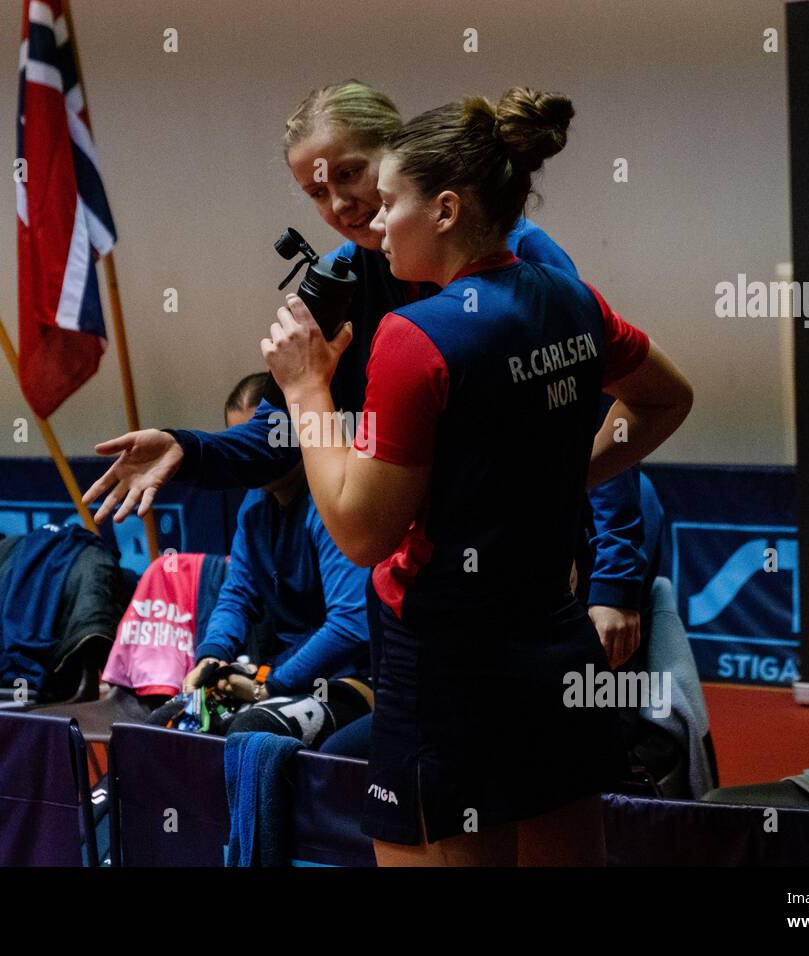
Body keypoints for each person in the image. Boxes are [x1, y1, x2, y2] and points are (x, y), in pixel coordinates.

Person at [259, 87, 693, 866]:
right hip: (553, 641)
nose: (375, 222)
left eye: (391, 203)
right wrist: (563, 482)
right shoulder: (572, 298)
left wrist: (305, 390)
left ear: (449, 211)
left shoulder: (412, 338)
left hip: (445, 665)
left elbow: (361, 532)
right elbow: (666, 398)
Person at [81, 80, 647, 673]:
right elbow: (278, 440)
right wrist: (186, 447)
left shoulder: (526, 261)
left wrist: (615, 580)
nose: (339, 205)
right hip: (424, 596)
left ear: (396, 157)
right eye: (316, 193)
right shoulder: (338, 280)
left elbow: (595, 407)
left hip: (541, 580)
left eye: (349, 175)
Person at [178, 372, 373, 749]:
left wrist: (271, 684)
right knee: (177, 720)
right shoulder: (253, 507)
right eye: (241, 444)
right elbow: (237, 596)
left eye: (260, 441)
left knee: (250, 729)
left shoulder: (332, 501)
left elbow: (351, 625)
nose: (251, 457)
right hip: (276, 674)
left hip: (354, 679)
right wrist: (213, 655)